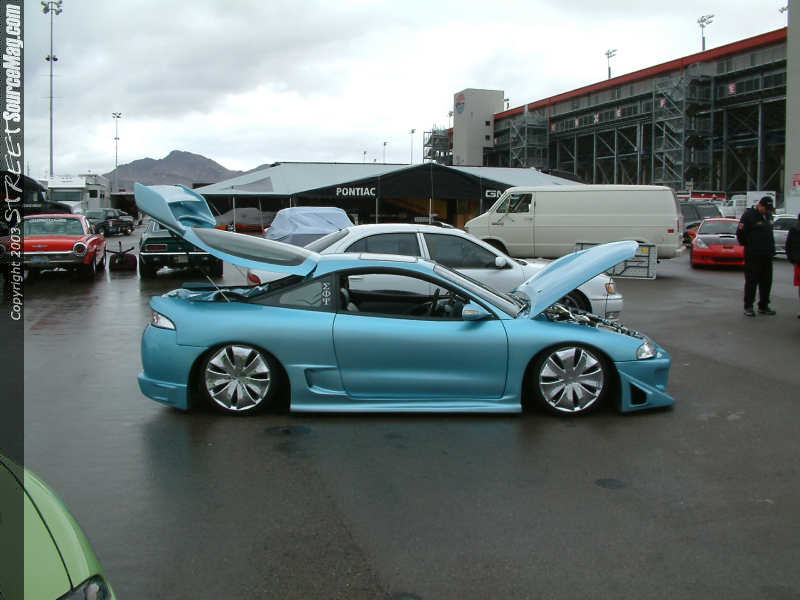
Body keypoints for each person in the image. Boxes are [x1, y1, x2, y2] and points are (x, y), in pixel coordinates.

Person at [736, 196, 776, 316]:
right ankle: (748, 306)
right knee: (751, 281)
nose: (767, 211)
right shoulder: (749, 216)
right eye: (766, 208)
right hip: (753, 255)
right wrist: (751, 246)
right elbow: (740, 234)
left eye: (769, 209)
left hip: (767, 255)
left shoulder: (768, 216)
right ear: (760, 205)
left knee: (766, 282)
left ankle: (763, 305)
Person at [785, 212, 800, 319]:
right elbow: (789, 245)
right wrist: (792, 258)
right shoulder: (795, 230)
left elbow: (788, 245)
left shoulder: (794, 229)